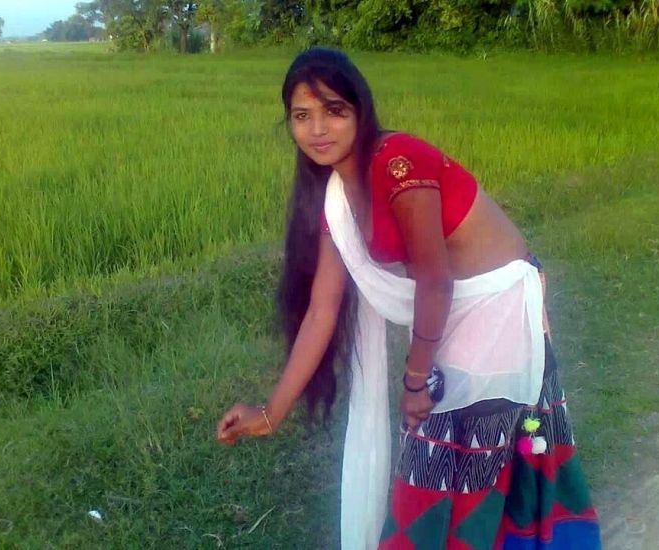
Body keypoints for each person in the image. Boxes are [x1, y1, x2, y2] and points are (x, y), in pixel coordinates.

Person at [217, 48, 601, 550]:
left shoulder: (399, 164)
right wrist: (271, 412)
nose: (317, 130)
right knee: (453, 456)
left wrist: (416, 381)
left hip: (498, 306)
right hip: (454, 311)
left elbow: (434, 280)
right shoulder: (337, 194)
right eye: (301, 116)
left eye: (334, 110)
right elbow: (321, 310)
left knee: (450, 455)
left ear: (361, 110)